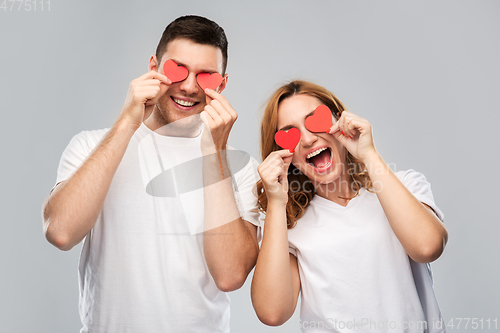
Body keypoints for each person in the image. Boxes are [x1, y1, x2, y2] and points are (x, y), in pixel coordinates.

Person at [42, 15, 260, 333]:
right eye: (177, 70)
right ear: (153, 67)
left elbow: (229, 276)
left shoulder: (241, 169)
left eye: (206, 76)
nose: (188, 86)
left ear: (222, 85)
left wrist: (213, 153)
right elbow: (60, 232)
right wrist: (127, 123)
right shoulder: (90, 145)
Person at [251, 80, 448, 332]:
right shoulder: (287, 227)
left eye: (315, 120)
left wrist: (369, 155)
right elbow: (272, 312)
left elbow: (428, 247)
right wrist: (277, 203)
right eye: (291, 133)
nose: (309, 139)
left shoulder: (404, 185)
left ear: (339, 120)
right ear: (282, 153)